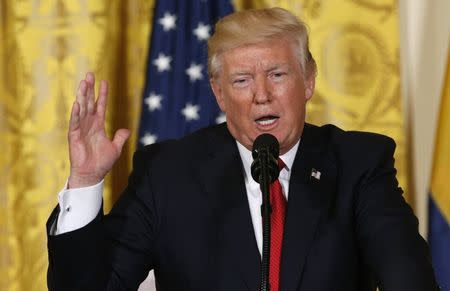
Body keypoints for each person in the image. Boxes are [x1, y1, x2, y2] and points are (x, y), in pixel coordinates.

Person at [46, 7, 439, 291]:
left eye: (277, 75)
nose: (261, 96)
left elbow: (410, 280)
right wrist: (84, 180)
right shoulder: (167, 174)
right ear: (218, 93)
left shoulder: (358, 164)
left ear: (308, 81)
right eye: (241, 81)